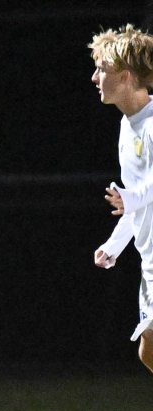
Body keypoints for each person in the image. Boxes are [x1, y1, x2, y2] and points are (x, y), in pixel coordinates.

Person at [91, 24, 153, 373]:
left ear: (126, 76)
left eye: (101, 69)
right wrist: (115, 244)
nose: (94, 77)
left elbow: (137, 196)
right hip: (149, 257)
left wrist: (133, 199)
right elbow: (134, 200)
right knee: (149, 351)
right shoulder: (128, 126)